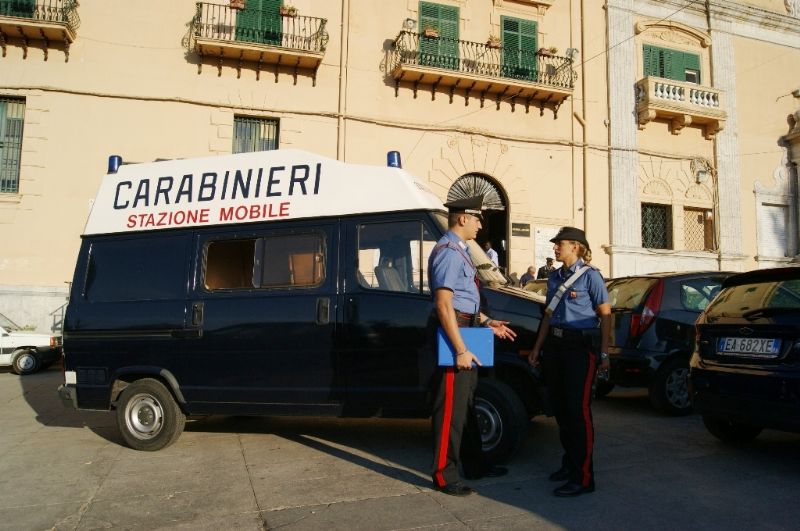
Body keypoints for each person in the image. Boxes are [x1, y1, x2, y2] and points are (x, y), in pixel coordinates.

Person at [429, 195, 517, 496]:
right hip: (458, 335)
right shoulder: (448, 252)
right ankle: (444, 474)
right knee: (451, 409)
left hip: (468, 327)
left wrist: (487, 321)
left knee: (466, 404)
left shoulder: (461, 251)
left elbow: (465, 301)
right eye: (477, 218)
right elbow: (444, 306)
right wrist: (460, 350)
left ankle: (475, 464)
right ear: (462, 219)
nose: (481, 224)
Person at [527, 226, 610, 498]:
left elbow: (606, 315)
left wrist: (604, 352)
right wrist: (538, 348)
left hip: (580, 349)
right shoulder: (554, 278)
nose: (554, 247)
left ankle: (584, 477)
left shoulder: (591, 277)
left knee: (578, 412)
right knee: (561, 410)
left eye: (559, 243)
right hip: (556, 347)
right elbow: (548, 316)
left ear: (575, 246)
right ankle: (570, 464)